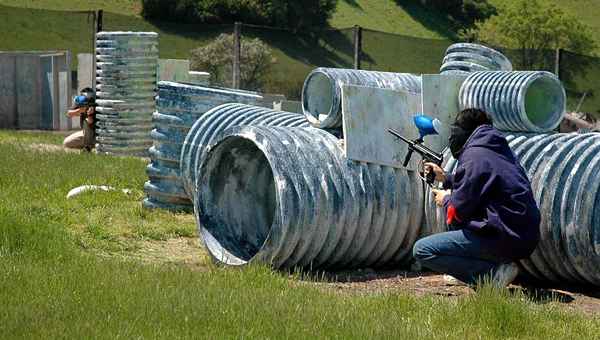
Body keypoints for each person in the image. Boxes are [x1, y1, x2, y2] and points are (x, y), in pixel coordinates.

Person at [413, 108, 541, 287]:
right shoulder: (495, 149)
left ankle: (490, 274)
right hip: (522, 235)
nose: (452, 138)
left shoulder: (474, 156)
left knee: (423, 250)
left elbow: (458, 210)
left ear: (466, 131)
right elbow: (479, 181)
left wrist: (445, 199)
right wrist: (446, 178)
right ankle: (482, 269)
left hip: (505, 237)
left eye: (455, 131)